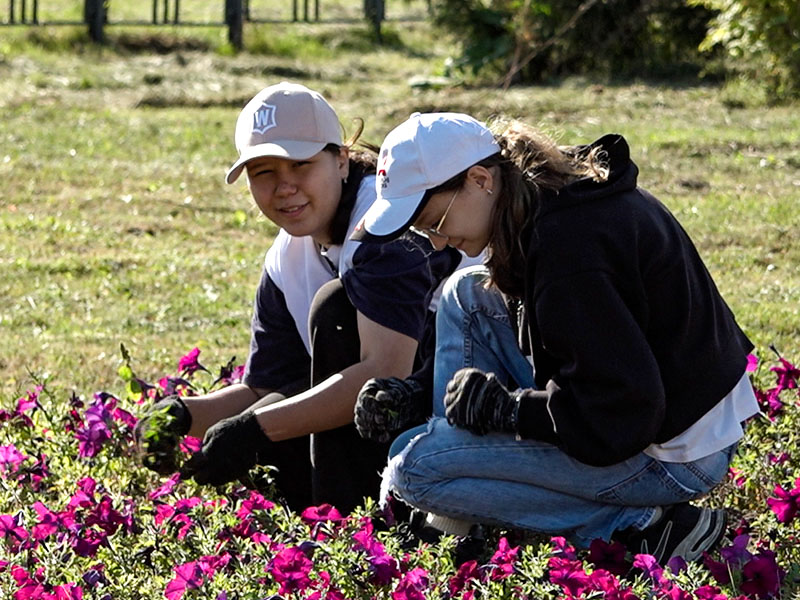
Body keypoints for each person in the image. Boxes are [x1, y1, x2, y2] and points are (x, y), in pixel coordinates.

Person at [352, 112, 758, 564]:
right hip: (669, 413)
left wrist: (509, 411)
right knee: (465, 292)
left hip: (675, 454)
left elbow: (621, 415)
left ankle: (642, 529)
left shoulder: (569, 253)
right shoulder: (546, 200)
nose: (438, 243)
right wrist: (423, 391)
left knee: (415, 473)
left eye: (434, 220)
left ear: (480, 178)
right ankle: (459, 515)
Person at [134, 85, 466, 514]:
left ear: (341, 160)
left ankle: (357, 522)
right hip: (406, 414)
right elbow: (265, 386)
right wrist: (183, 415)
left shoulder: (383, 228)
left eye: (301, 165)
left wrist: (255, 428)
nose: (284, 187)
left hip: (464, 409)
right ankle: (327, 520)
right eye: (263, 172)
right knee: (279, 410)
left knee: (334, 313)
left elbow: (387, 373)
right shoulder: (287, 257)